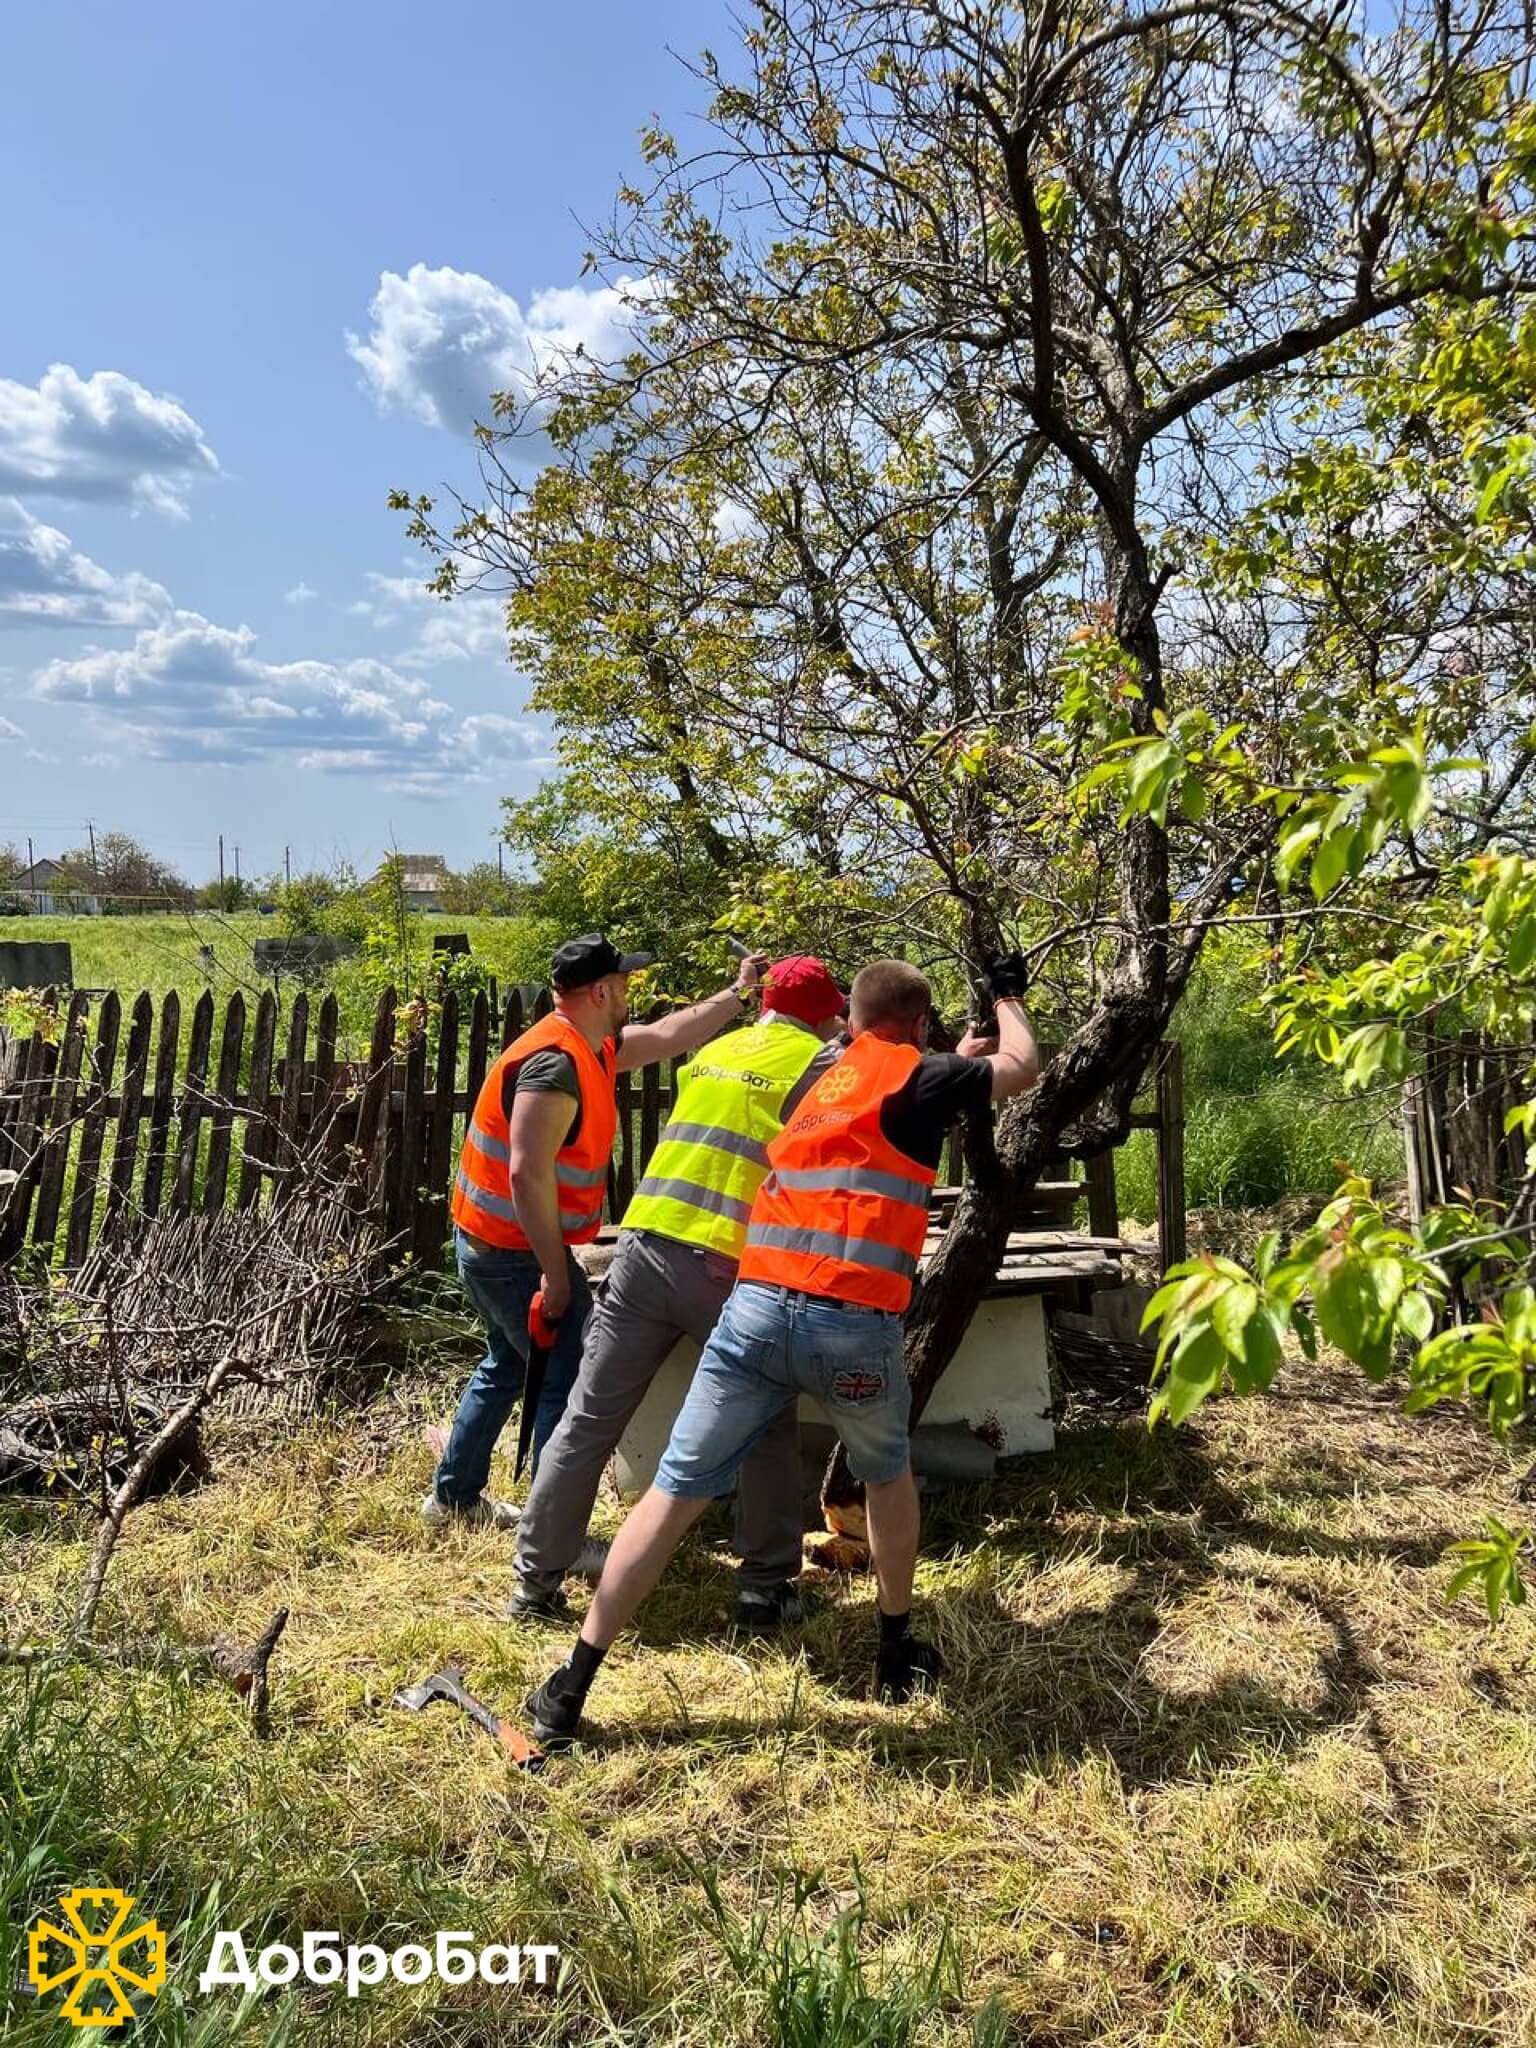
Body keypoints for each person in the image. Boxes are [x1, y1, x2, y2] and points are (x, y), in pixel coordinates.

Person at [522, 953, 1040, 1746]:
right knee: (887, 1474)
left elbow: (885, 1094)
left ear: (851, 1020)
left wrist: (949, 1061)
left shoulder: (814, 1082)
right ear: (914, 1026)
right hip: (851, 1325)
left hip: (752, 1311)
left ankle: (570, 1686)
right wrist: (1008, 998)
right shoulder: (923, 1076)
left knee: (671, 1493)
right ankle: (893, 1648)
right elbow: (1022, 1066)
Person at [510, 956, 849, 1624]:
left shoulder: (719, 1051)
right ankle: (765, 1589)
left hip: (643, 1247)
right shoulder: (817, 1062)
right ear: (822, 1015)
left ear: (765, 1005)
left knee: (588, 1420)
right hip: (726, 1264)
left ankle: (534, 1583)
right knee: (765, 1420)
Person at [422, 933, 770, 1529]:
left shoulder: (589, 1045)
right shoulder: (554, 1065)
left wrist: (739, 993)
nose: (630, 992)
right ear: (601, 991)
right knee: (564, 1378)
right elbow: (527, 1174)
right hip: (512, 1254)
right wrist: (555, 1277)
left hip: (492, 1243)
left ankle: (453, 1500)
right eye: (624, 983)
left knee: (508, 1364)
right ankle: (551, 1531)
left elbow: (670, 1034)